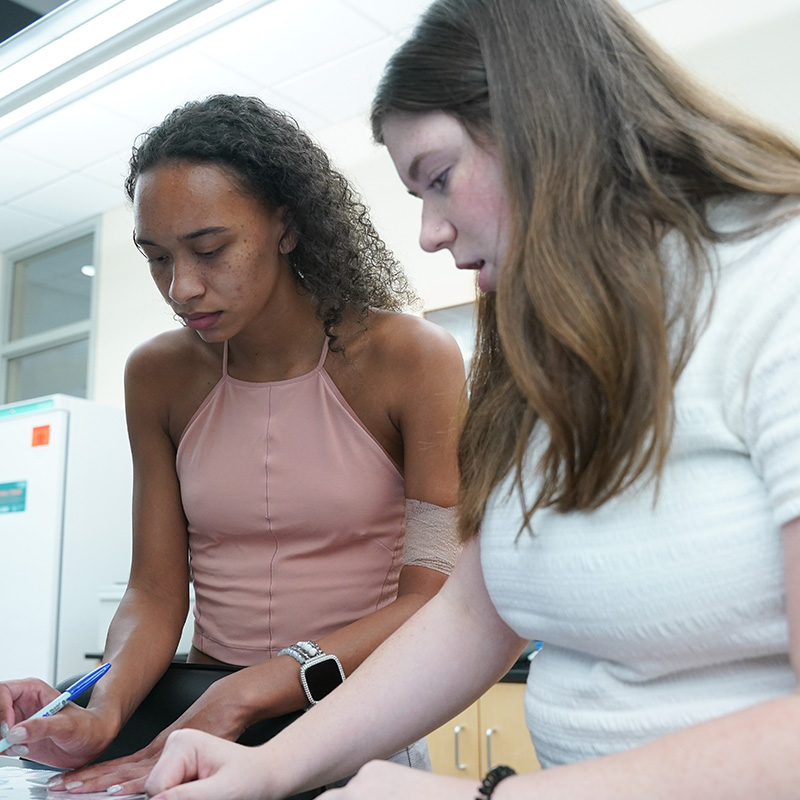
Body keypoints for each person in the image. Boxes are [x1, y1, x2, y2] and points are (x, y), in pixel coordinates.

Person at [132, 0, 800, 798]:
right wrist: (268, 767)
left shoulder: (777, 281)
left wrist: (488, 797)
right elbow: (470, 614)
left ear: (548, 125)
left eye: (440, 180)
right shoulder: (545, 344)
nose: (430, 232)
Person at [0, 95, 466, 796]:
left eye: (210, 250)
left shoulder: (411, 358)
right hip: (201, 717)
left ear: (287, 225)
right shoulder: (157, 375)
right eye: (158, 258)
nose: (182, 287)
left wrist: (251, 689)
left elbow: (435, 594)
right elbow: (155, 591)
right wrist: (104, 711)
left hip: (356, 719)